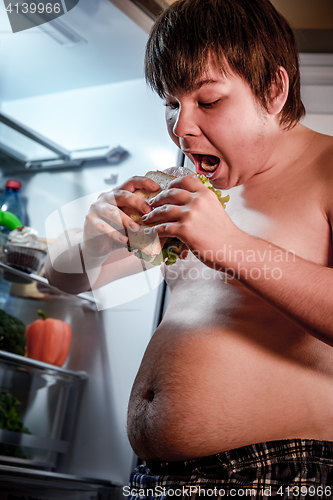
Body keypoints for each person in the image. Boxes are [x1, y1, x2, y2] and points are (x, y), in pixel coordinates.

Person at [45, 0, 333, 497]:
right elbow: (64, 280)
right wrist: (95, 239)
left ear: (274, 90)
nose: (181, 127)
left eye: (208, 101)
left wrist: (231, 245)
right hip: (151, 480)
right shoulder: (191, 185)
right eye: (170, 103)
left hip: (274, 475)